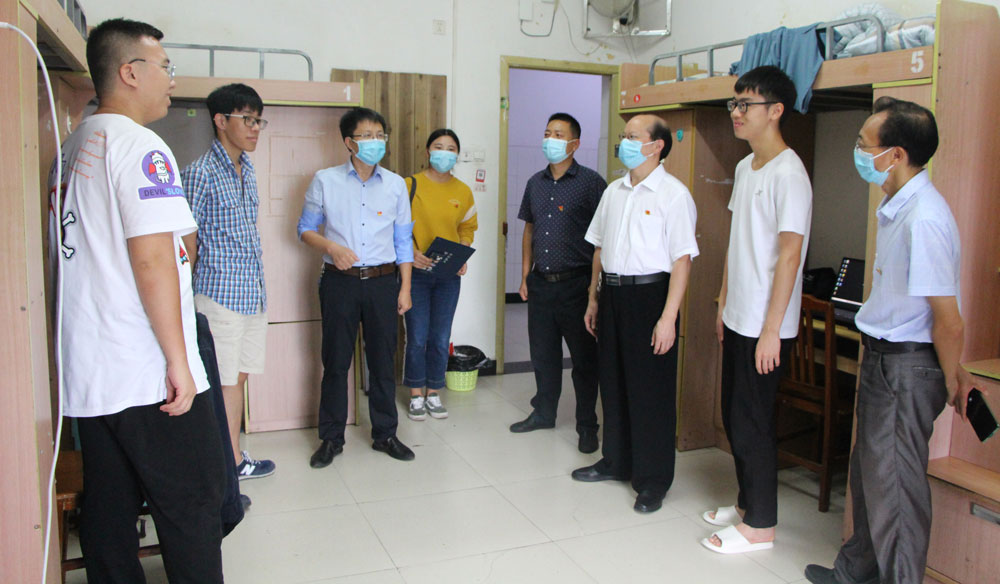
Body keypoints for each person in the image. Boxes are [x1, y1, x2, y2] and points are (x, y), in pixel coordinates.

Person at [50, 18, 225, 581]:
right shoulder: (140, 146)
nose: (172, 80)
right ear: (130, 72)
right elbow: (152, 259)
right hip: (144, 368)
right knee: (192, 504)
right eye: (165, 67)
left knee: (110, 506)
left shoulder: (74, 145)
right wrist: (178, 360)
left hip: (92, 367)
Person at [804, 98, 975, 583]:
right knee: (870, 476)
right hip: (885, 358)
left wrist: (951, 374)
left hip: (905, 368)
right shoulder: (897, 207)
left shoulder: (925, 218)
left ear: (896, 154)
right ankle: (854, 572)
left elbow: (949, 320)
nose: (858, 152)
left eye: (864, 145)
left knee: (896, 489)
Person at [702, 65, 813, 555]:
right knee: (734, 415)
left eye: (746, 104)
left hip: (766, 325)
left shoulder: (791, 174)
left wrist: (772, 329)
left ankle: (761, 527)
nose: (736, 112)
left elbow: (790, 255)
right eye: (735, 103)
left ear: (776, 111)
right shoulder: (748, 167)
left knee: (754, 422)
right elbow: (737, 242)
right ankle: (747, 504)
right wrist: (723, 302)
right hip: (738, 315)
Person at [571, 114, 699, 514]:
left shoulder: (674, 195)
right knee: (612, 382)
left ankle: (653, 480)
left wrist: (668, 318)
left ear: (657, 146)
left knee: (650, 392)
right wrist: (593, 298)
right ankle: (616, 461)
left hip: (651, 297)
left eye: (632, 136)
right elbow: (599, 248)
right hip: (612, 294)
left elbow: (682, 260)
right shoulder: (614, 191)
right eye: (623, 136)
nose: (624, 142)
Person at [298, 107, 416, 466]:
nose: (375, 142)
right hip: (340, 282)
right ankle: (331, 438)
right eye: (367, 136)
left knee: (382, 362)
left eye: (380, 135)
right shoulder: (325, 180)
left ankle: (385, 434)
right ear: (349, 142)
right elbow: (305, 229)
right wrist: (331, 248)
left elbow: (403, 241)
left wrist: (405, 288)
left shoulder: (396, 185)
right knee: (336, 362)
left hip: (383, 283)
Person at [182, 83, 276, 484]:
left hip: (251, 293)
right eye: (247, 120)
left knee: (237, 377)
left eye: (259, 121)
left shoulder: (247, 169)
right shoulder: (199, 173)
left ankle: (233, 460)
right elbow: (186, 242)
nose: (255, 128)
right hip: (218, 296)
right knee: (219, 382)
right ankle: (222, 467)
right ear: (221, 121)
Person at [509, 112, 607, 454]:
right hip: (541, 283)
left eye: (558, 134)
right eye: (547, 132)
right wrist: (525, 274)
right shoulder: (534, 182)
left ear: (574, 143)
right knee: (543, 355)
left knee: (584, 360)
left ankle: (587, 425)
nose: (550, 139)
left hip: (577, 284)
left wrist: (594, 288)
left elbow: (603, 237)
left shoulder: (592, 183)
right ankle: (544, 413)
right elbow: (529, 229)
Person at [404, 129, 478, 421]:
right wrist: (411, 253)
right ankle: (415, 394)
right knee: (417, 337)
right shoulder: (410, 185)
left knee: (440, 337)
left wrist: (462, 253)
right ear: (427, 152)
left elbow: (467, 228)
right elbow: (396, 227)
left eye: (450, 149)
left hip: (448, 275)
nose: (444, 153)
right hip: (416, 274)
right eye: (438, 147)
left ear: (457, 155)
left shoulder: (463, 191)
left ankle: (433, 392)